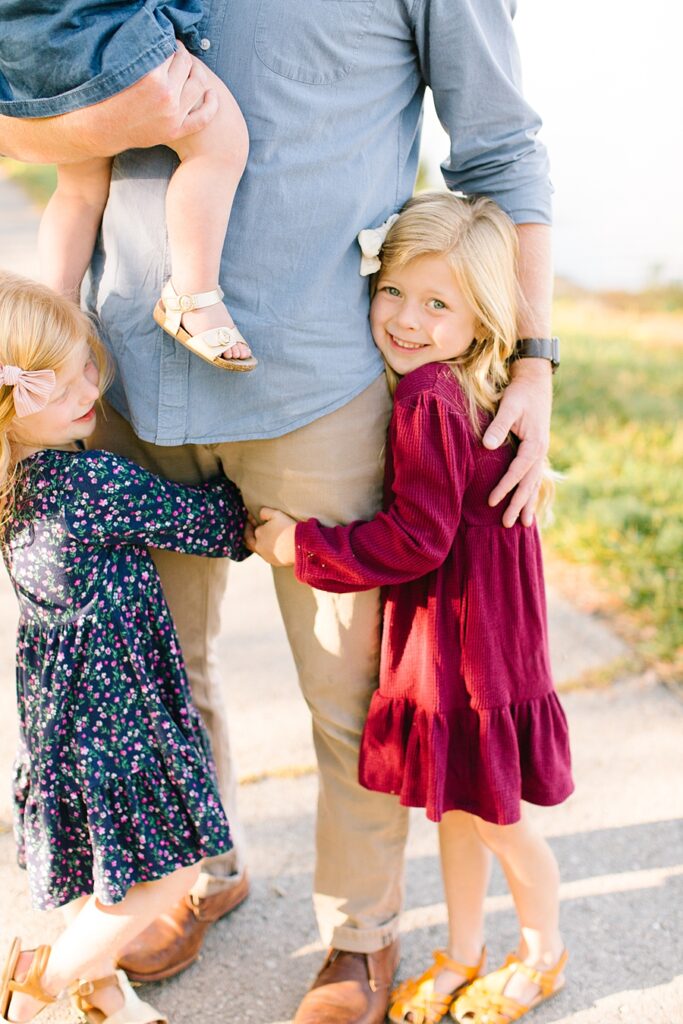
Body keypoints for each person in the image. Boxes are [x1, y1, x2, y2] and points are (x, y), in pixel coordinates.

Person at [0, 5, 557, 1021]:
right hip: (122, 375)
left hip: (317, 382)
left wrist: (533, 359)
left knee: (349, 697)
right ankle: (199, 871)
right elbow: (21, 101)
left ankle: (358, 933)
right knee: (159, 670)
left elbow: (500, 148)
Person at [249, 191, 572, 1024]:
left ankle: (540, 956)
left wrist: (299, 546)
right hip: (481, 630)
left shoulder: (428, 397)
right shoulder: (469, 381)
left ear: (485, 315)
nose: (406, 318)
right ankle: (462, 952)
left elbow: (416, 540)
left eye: (438, 304)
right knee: (460, 810)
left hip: (464, 639)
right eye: (393, 290)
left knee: (498, 823)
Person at [0, 271, 250, 1024]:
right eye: (54, 380)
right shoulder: (93, 481)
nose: (86, 387)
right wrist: (251, 481)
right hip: (117, 709)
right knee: (170, 874)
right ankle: (45, 974)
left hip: (57, 715)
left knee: (98, 861)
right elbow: (211, 525)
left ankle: (103, 994)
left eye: (83, 363)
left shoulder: (17, 481)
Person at [0, 3, 255, 371]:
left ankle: (58, 317)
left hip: (41, 42)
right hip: (100, 31)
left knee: (77, 191)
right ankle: (193, 296)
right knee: (219, 144)